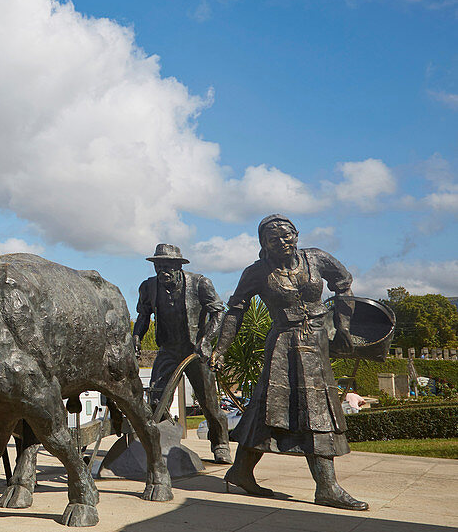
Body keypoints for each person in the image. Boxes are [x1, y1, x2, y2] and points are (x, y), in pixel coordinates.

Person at [210, 214, 367, 511]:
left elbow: (343, 283)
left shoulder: (316, 259)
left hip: (317, 342)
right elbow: (235, 311)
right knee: (269, 409)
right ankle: (324, 487)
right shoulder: (257, 272)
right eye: (273, 239)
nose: (282, 242)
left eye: (287, 235)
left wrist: (343, 324)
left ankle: (248, 472)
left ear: (296, 235)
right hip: (283, 344)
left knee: (317, 408)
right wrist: (220, 349)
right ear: (263, 245)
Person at [134, 244, 231, 463]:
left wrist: (206, 341)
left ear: (178, 266)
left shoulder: (200, 283)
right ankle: (159, 443)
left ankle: (220, 444)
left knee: (209, 402)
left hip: (195, 350)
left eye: (167, 266)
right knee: (157, 399)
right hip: (168, 349)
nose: (162, 271)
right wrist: (137, 338)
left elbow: (218, 313)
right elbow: (143, 317)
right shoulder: (148, 287)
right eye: (158, 266)